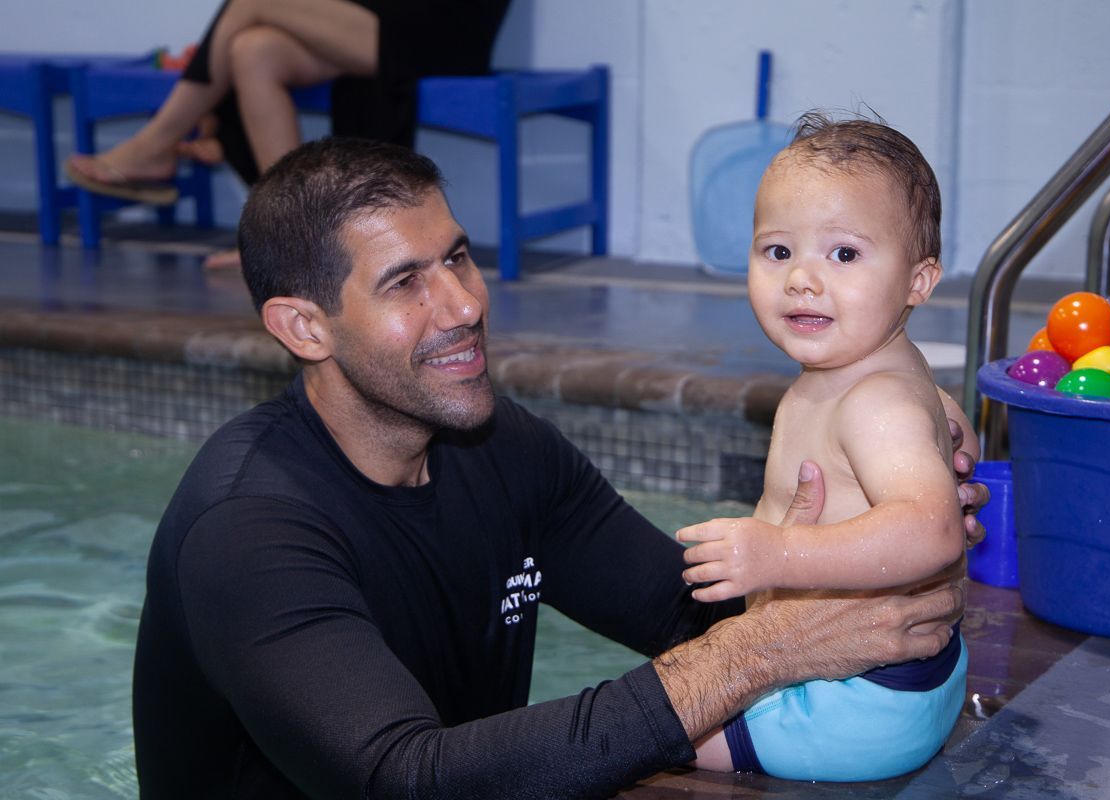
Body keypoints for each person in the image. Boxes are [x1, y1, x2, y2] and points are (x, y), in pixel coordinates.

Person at [132, 136, 988, 799]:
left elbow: (674, 607)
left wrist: (865, 511)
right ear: (303, 328)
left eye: (458, 258)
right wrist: (762, 652)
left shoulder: (500, 448)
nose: (465, 306)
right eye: (405, 283)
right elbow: (404, 780)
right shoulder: (250, 532)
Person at [679, 112, 977, 782]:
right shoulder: (883, 374)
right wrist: (948, 424)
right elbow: (941, 428)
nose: (803, 280)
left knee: (651, 741)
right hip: (905, 680)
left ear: (918, 282)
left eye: (843, 254)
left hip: (855, 704)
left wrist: (780, 552)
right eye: (778, 251)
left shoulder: (875, 401)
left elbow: (933, 534)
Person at [64, 0, 510, 268]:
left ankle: (157, 142)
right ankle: (285, 239)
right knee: (254, 50)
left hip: (445, 26)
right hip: (382, 18)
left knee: (251, 1)